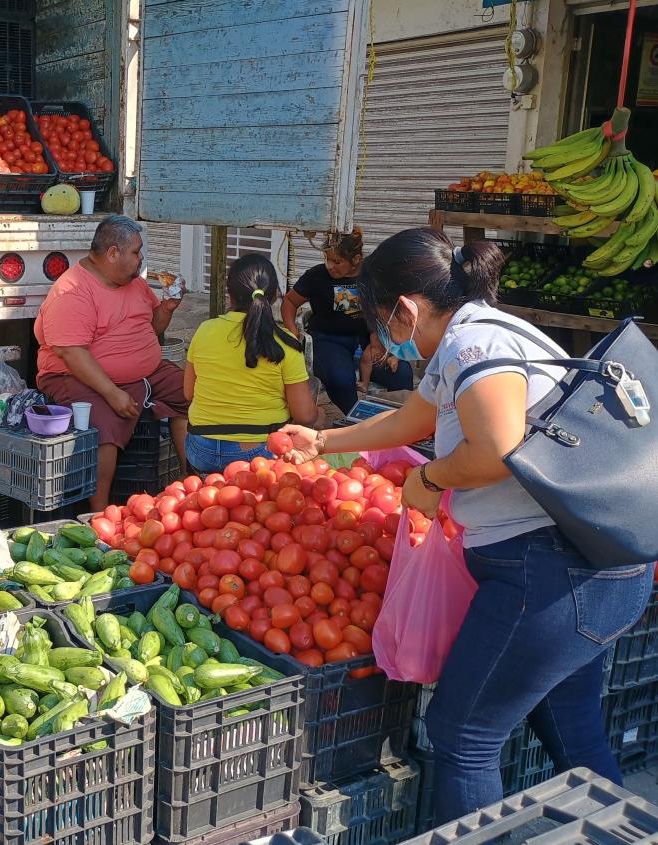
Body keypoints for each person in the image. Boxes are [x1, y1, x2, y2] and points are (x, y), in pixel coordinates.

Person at [278, 227, 654, 825]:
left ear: (405, 308)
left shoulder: (472, 347)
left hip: (549, 574)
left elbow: (494, 449)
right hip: (590, 570)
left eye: (384, 324)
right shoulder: (485, 333)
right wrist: (324, 441)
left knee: (461, 735)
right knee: (573, 737)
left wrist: (427, 484)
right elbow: (410, 421)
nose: (388, 340)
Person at [34, 215, 188, 511]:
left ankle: (188, 480)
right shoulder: (73, 291)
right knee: (104, 424)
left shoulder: (133, 282)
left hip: (147, 372)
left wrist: (168, 308)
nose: (141, 259)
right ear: (113, 253)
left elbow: (151, 328)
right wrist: (112, 393)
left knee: (191, 393)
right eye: (136, 252)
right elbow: (71, 353)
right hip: (78, 375)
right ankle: (99, 515)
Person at [182, 254, 321, 473]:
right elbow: (304, 415)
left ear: (230, 296)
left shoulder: (204, 331)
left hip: (201, 450)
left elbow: (189, 394)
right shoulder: (286, 343)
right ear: (275, 294)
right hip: (258, 455)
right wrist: (317, 415)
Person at [281, 228, 414, 414]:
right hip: (328, 340)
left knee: (401, 373)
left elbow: (388, 309)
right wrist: (293, 331)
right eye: (327, 259)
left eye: (337, 261)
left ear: (356, 259)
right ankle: (355, 422)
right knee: (341, 380)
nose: (329, 266)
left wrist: (381, 338)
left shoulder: (373, 275)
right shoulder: (317, 276)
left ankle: (399, 423)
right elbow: (289, 301)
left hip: (368, 340)